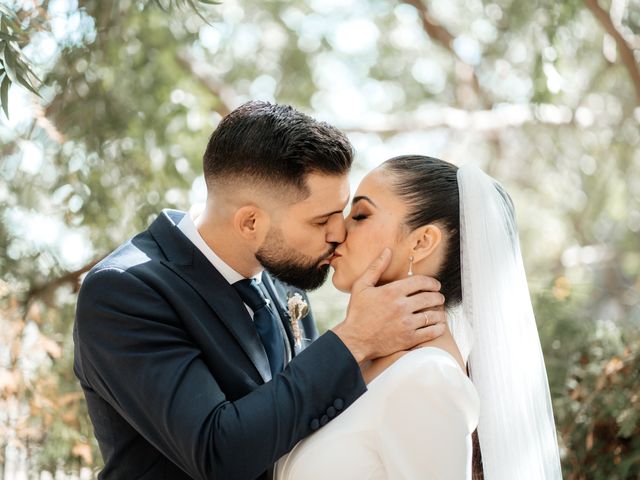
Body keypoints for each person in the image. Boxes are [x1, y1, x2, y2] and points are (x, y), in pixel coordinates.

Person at [73, 103, 447, 480]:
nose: (339, 233)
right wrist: (354, 340)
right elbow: (218, 454)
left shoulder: (285, 279)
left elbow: (306, 421)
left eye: (342, 212)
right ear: (250, 221)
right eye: (321, 220)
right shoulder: (124, 291)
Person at [275, 155, 563, 480]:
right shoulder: (363, 364)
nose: (338, 230)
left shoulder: (428, 379)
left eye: (360, 215)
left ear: (422, 242)